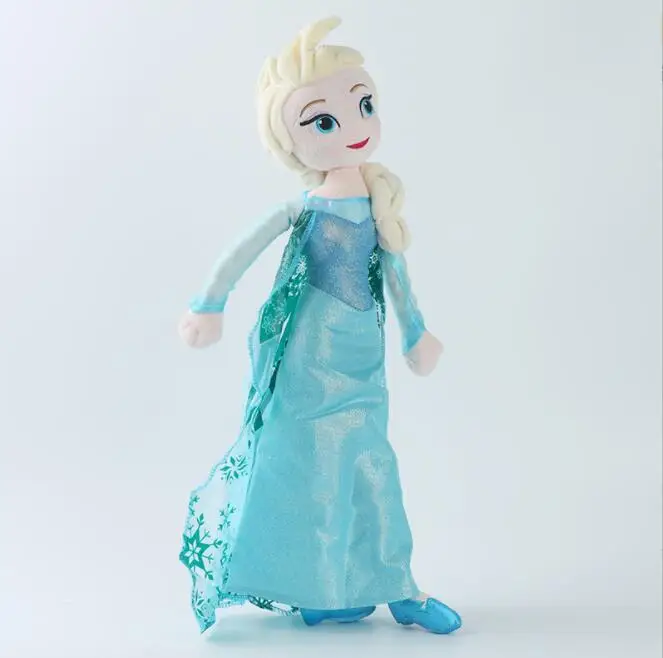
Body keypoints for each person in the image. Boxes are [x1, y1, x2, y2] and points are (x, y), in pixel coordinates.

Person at [177, 16, 462, 636]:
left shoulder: (378, 209)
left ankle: (392, 582)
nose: (355, 128)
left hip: (363, 358)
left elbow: (396, 275)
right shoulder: (303, 210)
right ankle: (327, 588)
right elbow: (241, 250)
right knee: (315, 469)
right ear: (291, 142)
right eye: (324, 122)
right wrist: (208, 303)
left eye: (365, 106)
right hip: (307, 361)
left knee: (372, 464)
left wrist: (415, 332)